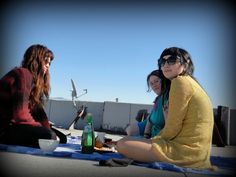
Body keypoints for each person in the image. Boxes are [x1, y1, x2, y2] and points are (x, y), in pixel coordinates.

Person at [116, 47, 214, 170]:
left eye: (172, 60)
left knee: (122, 144)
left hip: (185, 154)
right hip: (198, 154)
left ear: (185, 63)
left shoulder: (180, 83)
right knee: (129, 140)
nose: (166, 64)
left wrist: (151, 141)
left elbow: (172, 127)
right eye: (163, 62)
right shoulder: (190, 82)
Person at [0, 44, 66, 148]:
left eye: (50, 63)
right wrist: (46, 132)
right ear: (36, 60)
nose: (48, 66)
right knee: (49, 137)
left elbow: (38, 113)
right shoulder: (23, 74)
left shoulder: (33, 84)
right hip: (3, 128)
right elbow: (21, 116)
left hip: (11, 126)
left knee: (61, 137)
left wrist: (47, 129)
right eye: (45, 61)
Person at [126, 70, 170, 138]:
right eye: (151, 83)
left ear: (164, 80)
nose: (154, 85)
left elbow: (170, 128)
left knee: (124, 142)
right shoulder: (158, 99)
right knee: (129, 130)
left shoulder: (168, 97)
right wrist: (145, 136)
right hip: (150, 128)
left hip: (159, 138)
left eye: (156, 81)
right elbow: (149, 120)